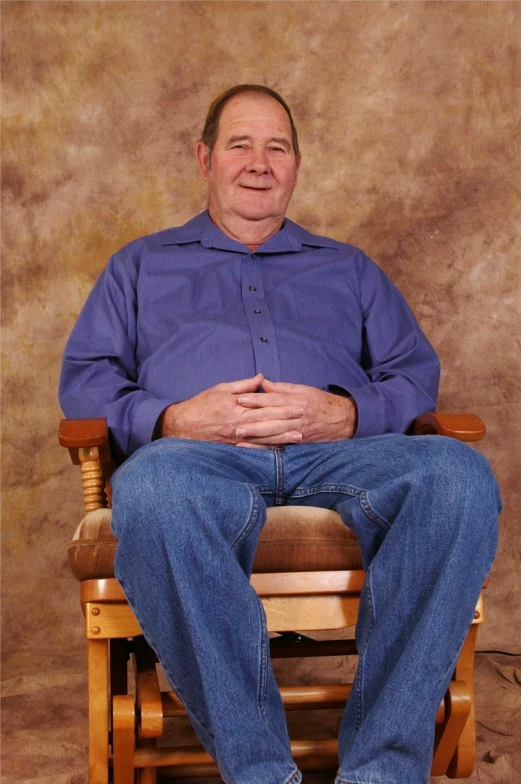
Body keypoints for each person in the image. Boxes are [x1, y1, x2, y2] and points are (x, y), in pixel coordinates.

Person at [59, 84, 500, 784]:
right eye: (240, 144)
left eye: (277, 147)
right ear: (204, 159)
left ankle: (382, 771)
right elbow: (84, 382)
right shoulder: (139, 266)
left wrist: (346, 414)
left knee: (457, 475)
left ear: (296, 166)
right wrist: (174, 419)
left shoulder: (348, 267)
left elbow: (412, 374)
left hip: (342, 458)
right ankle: (261, 772)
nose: (258, 162)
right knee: (153, 491)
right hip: (197, 461)